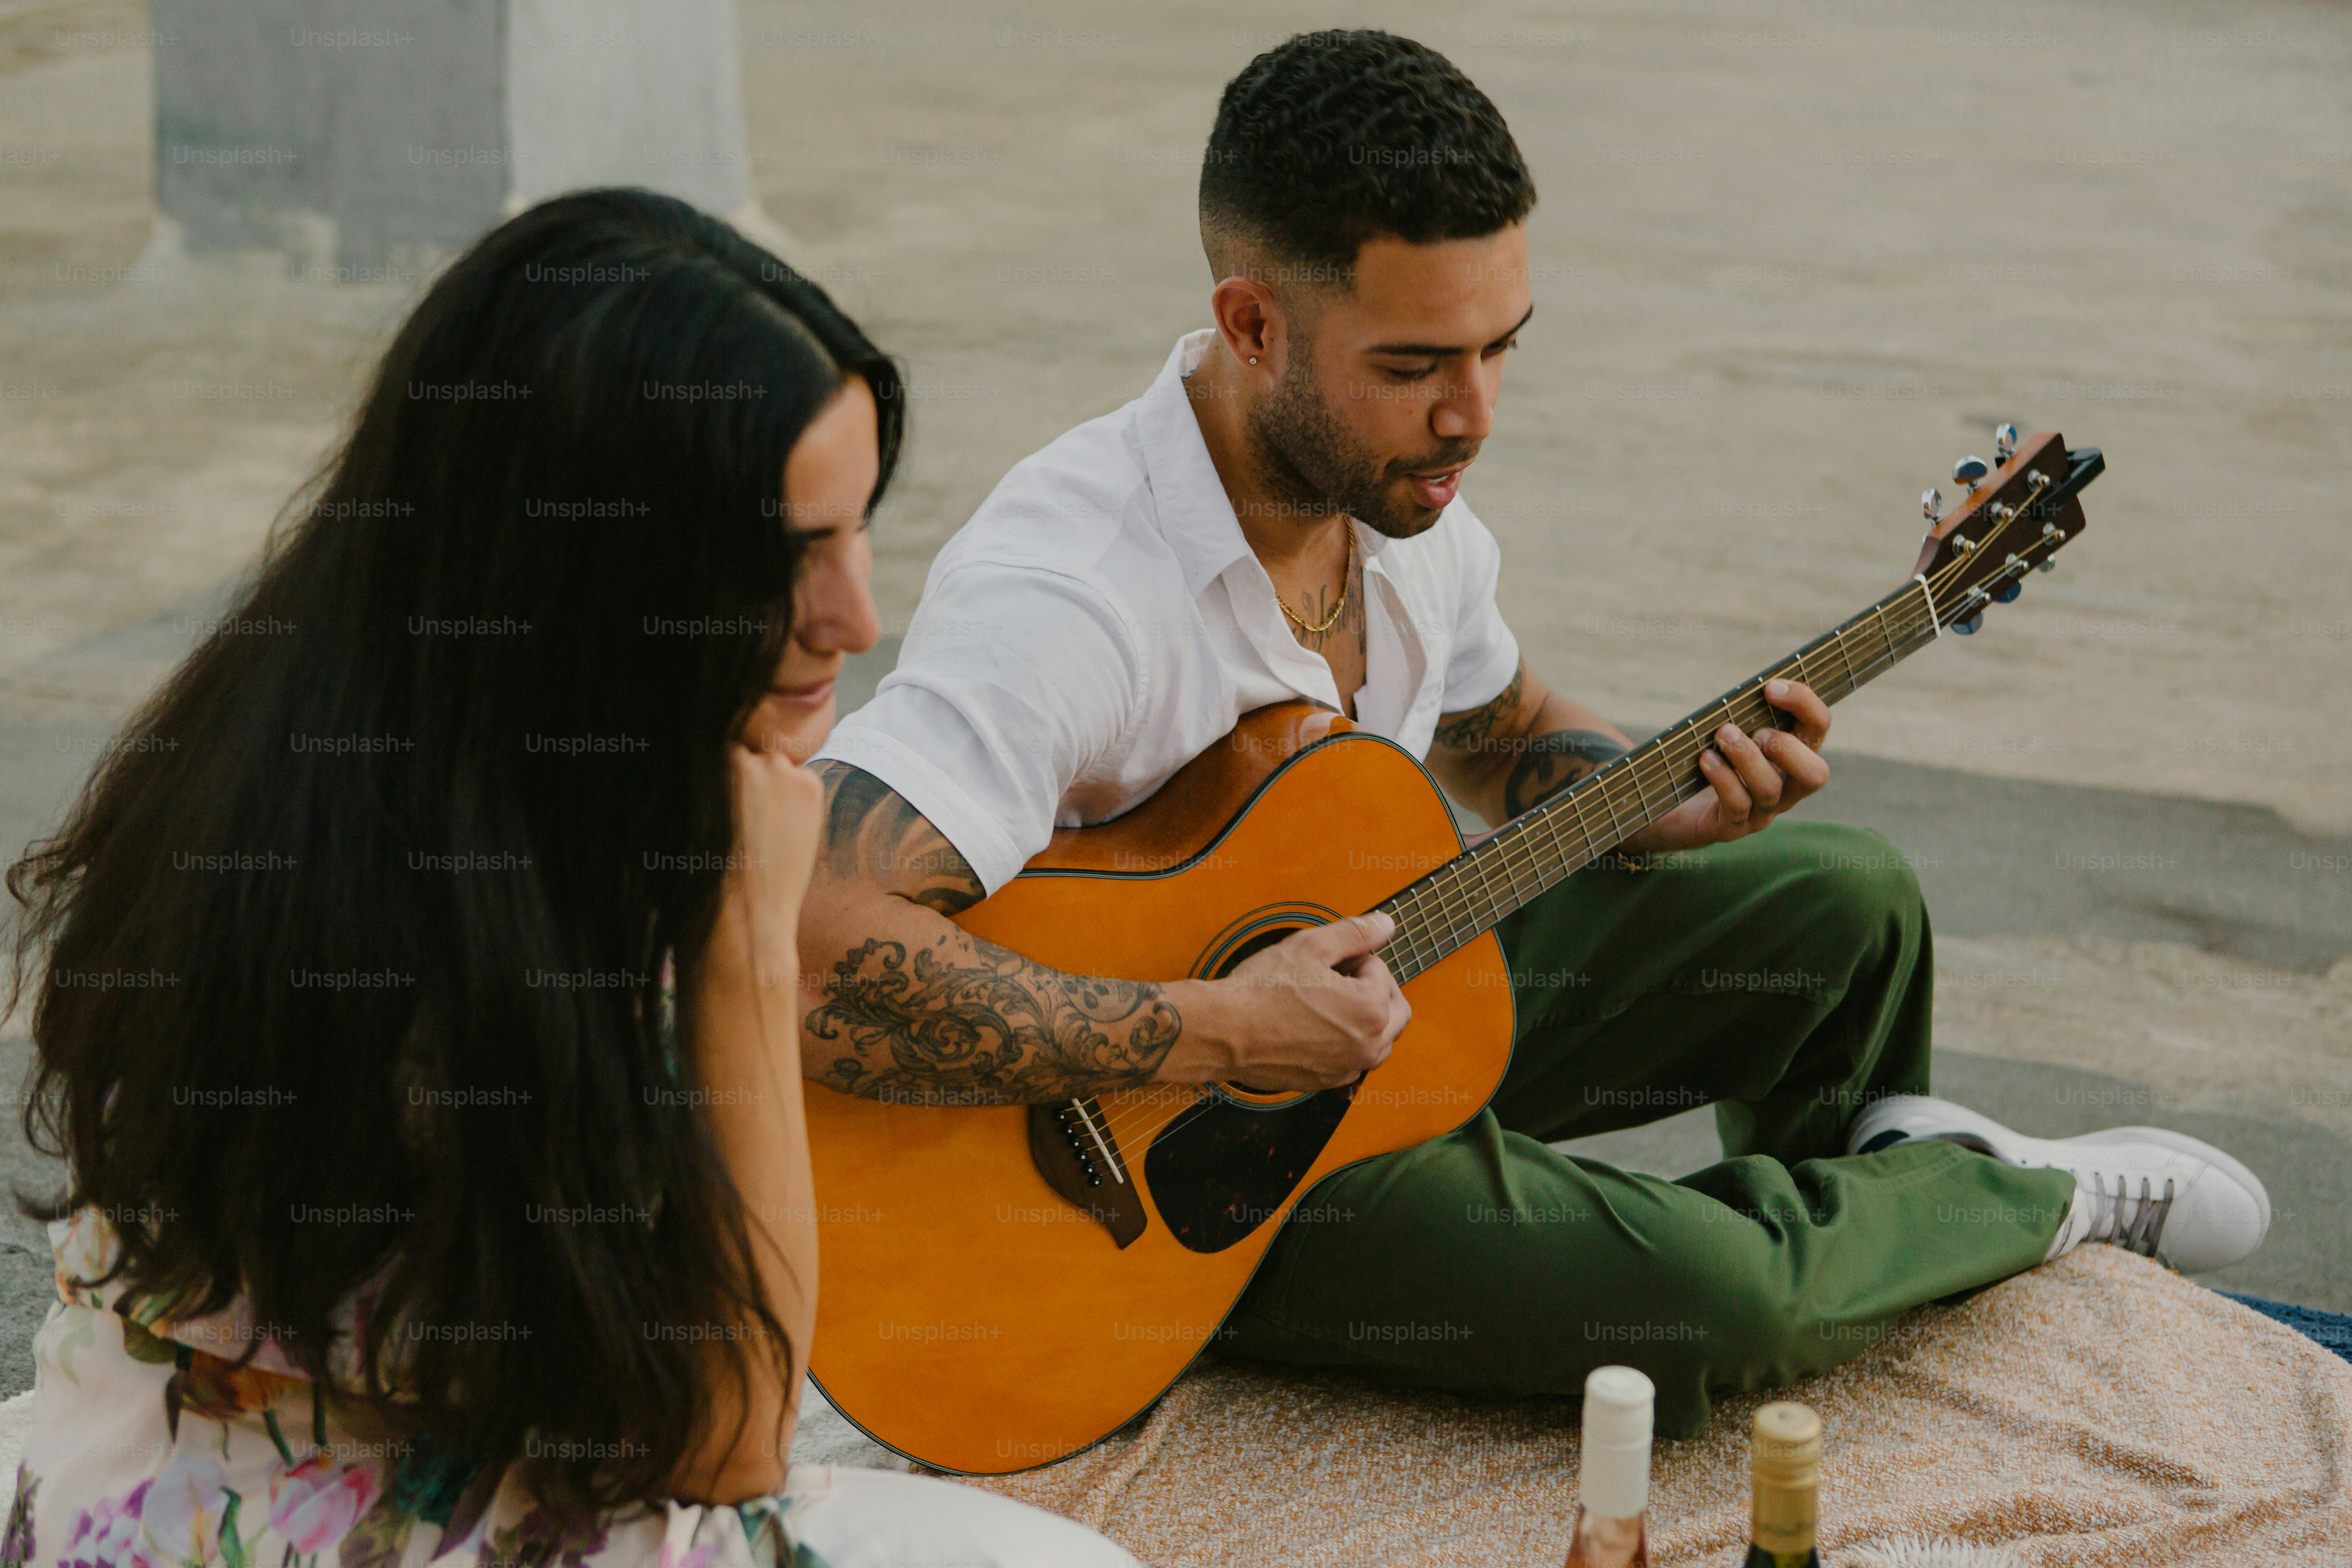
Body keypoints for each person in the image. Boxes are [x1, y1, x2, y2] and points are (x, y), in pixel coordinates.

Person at [801, 31, 2270, 1440]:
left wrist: (1657, 801)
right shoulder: (1069, 591)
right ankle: (1986, 1201)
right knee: (1714, 1299)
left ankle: (1879, 1215)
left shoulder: (1403, 508)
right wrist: (1229, 1030)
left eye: (1504, 347)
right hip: (1169, 1192)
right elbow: (803, 942)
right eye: (1417, 365)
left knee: (1851, 904)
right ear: (1253, 325)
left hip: (1387, 1006)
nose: (1472, 415)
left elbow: (1505, 737)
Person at [1, 190, 1136, 1568]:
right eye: (784, 560)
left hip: (120, 1476)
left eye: (858, 530)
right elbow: (733, 1441)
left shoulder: (280, 727)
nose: (856, 617)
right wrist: (746, 942)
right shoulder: (494, 899)